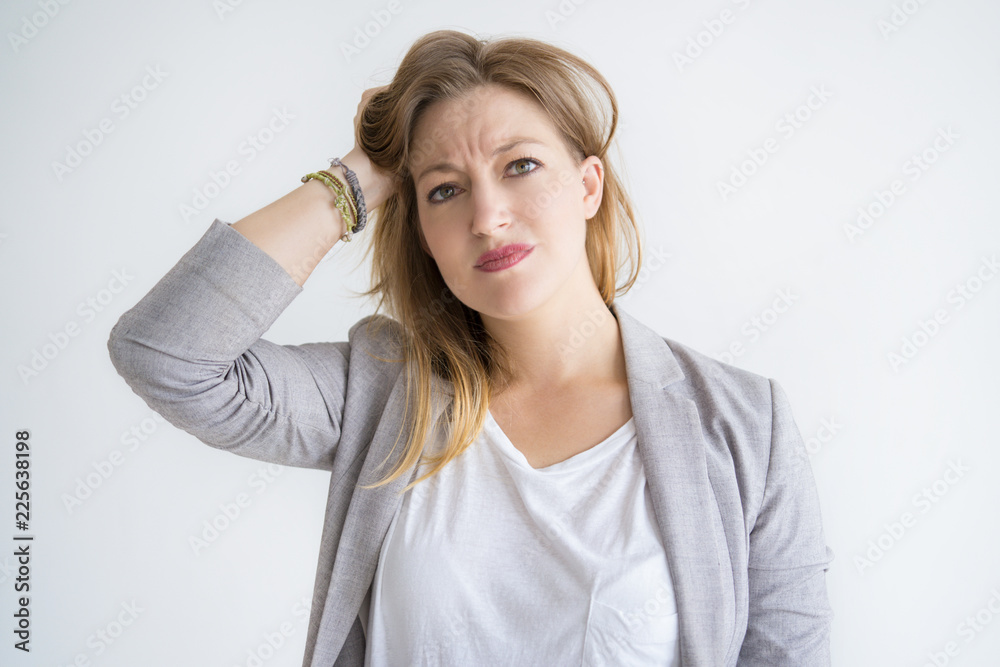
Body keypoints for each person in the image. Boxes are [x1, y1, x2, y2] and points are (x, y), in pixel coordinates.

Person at [108, 28, 833, 666]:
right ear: (418, 224)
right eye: (446, 191)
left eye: (520, 166)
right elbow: (168, 356)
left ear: (589, 186)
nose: (487, 216)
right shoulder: (385, 390)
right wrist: (362, 173)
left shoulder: (744, 425)